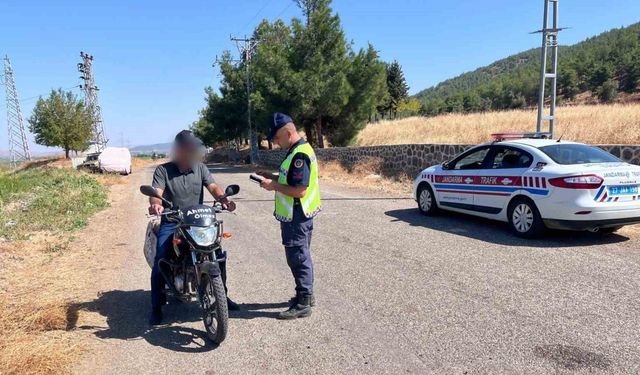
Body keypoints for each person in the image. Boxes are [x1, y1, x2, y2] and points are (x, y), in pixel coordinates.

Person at [148, 130, 238, 325]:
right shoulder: (163, 170)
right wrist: (156, 204)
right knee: (160, 260)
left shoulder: (200, 168)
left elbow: (213, 187)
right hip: (173, 222)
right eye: (189, 149)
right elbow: (156, 192)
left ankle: (222, 295)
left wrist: (223, 199)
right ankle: (156, 306)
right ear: (179, 150)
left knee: (218, 255)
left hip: (197, 221)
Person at [257, 113, 321, 320]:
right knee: (300, 254)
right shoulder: (298, 150)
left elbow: (300, 190)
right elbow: (290, 178)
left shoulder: (299, 155)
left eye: (276, 137)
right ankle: (306, 295)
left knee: (298, 257)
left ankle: (303, 302)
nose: (275, 142)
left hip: (296, 215)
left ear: (287, 132)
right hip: (299, 214)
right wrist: (272, 177)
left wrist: (273, 186)